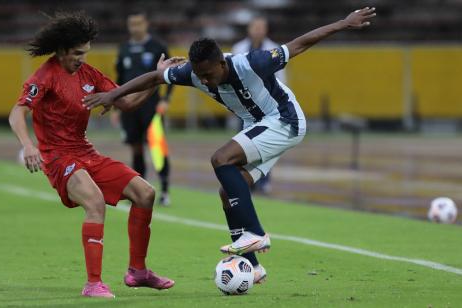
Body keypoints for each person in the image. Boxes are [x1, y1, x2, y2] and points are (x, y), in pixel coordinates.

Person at [83, 8, 377, 285]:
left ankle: (256, 234)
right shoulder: (194, 73)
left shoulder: (251, 62)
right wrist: (114, 95)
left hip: (284, 120)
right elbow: (154, 77)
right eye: (201, 76)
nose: (206, 81)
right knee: (228, 191)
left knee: (221, 159)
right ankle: (254, 266)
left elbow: (298, 44)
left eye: (210, 74)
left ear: (222, 63)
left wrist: (344, 23)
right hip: (259, 127)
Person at [8, 12, 181, 298]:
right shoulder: (45, 76)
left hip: (85, 152)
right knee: (95, 203)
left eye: (85, 53)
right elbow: (18, 112)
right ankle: (93, 283)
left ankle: (138, 271)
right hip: (58, 158)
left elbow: (126, 101)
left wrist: (157, 78)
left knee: (145, 194)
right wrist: (28, 145)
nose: (82, 58)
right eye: (77, 53)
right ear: (62, 50)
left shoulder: (89, 75)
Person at [114, 11, 174, 206]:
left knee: (157, 148)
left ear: (146, 24)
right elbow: (119, 80)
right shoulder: (123, 49)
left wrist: (165, 99)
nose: (135, 27)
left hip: (152, 106)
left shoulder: (157, 46)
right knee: (136, 148)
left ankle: (164, 191)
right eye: (132, 24)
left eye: (139, 23)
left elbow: (171, 73)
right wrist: (116, 107)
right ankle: (141, 190)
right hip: (130, 107)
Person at [232, 16, 283, 195]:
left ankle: (264, 182)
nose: (258, 30)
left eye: (262, 27)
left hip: (268, 106)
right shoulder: (238, 49)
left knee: (267, 145)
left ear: (266, 29)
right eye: (255, 27)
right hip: (245, 106)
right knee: (243, 145)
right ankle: (246, 180)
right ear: (249, 29)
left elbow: (281, 78)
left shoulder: (274, 49)